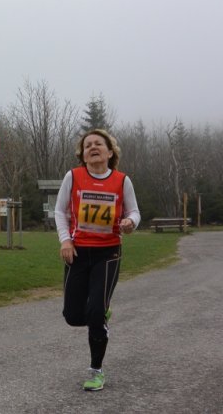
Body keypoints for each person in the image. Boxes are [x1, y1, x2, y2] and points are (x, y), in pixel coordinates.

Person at [54, 129, 141, 391]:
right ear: (83, 155)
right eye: (87, 145)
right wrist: (65, 240)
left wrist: (130, 222)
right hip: (78, 252)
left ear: (110, 152)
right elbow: (59, 211)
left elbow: (134, 212)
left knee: (94, 313)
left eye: (98, 144)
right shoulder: (73, 176)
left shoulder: (122, 180)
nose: (92, 147)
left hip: (108, 253)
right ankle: (101, 313)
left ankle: (96, 370)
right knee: (72, 316)